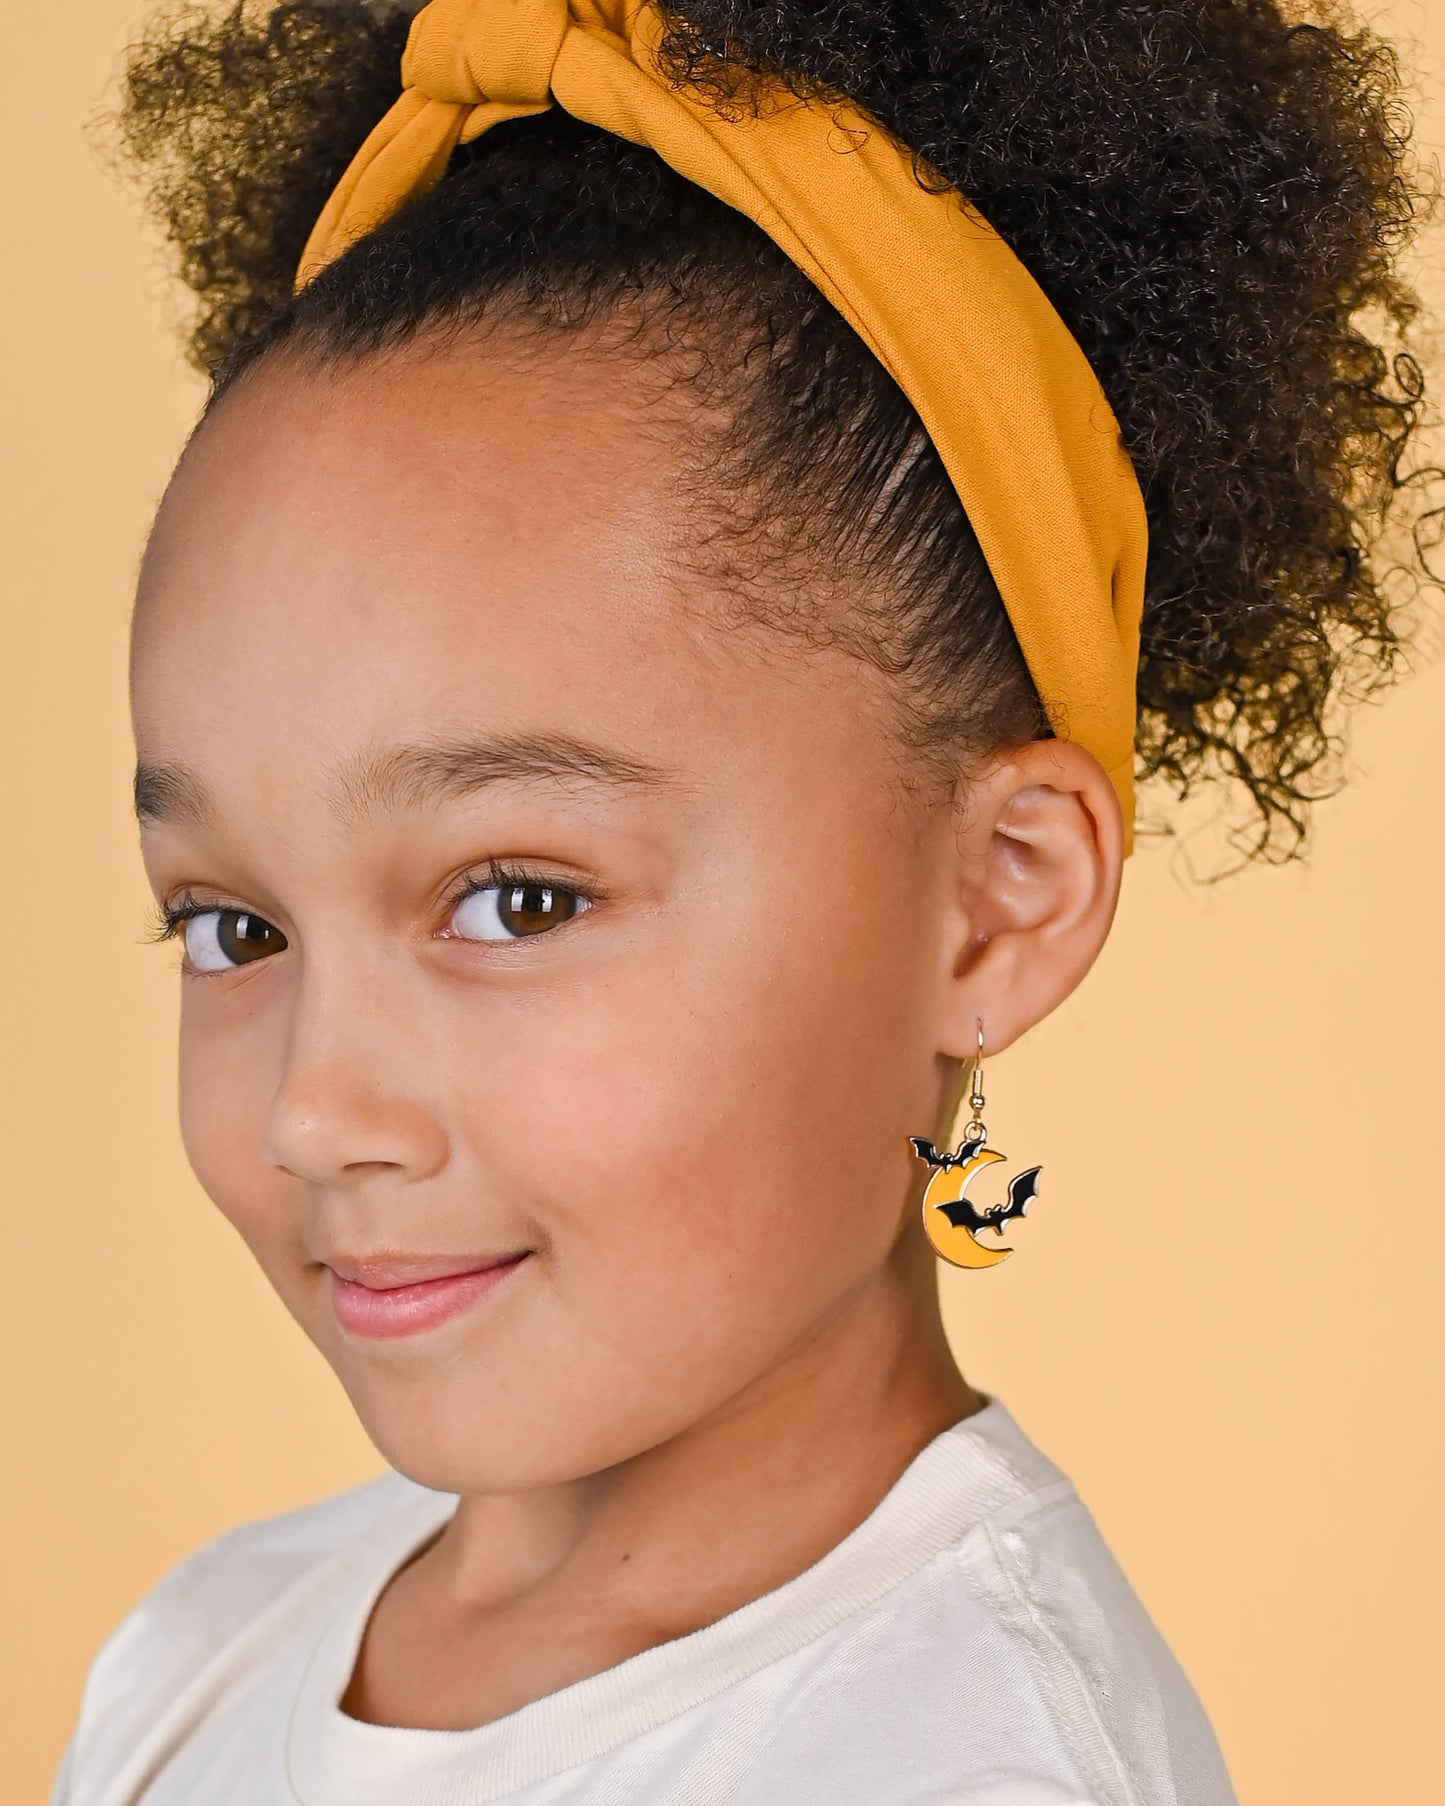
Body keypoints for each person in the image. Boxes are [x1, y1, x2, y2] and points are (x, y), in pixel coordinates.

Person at [53, 1, 1432, 1801]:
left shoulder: (964, 1765)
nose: (316, 1109)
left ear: (993, 904)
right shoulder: (202, 1643)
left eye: (518, 899)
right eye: (236, 927)